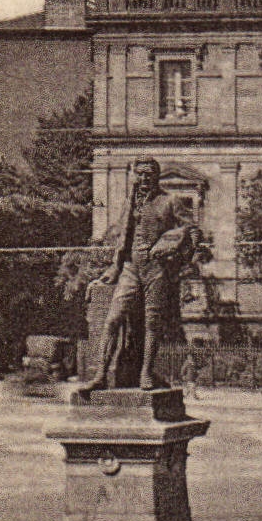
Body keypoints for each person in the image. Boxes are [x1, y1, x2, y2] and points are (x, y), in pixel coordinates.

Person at [77, 157, 200, 394]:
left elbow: (194, 231)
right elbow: (123, 238)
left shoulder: (170, 201)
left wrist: (180, 262)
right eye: (140, 174)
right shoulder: (130, 202)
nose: (144, 179)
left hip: (157, 269)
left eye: (149, 175)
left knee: (152, 323)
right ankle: (101, 374)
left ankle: (146, 372)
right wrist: (115, 266)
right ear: (135, 176)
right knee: (113, 319)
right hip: (131, 268)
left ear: (156, 177)